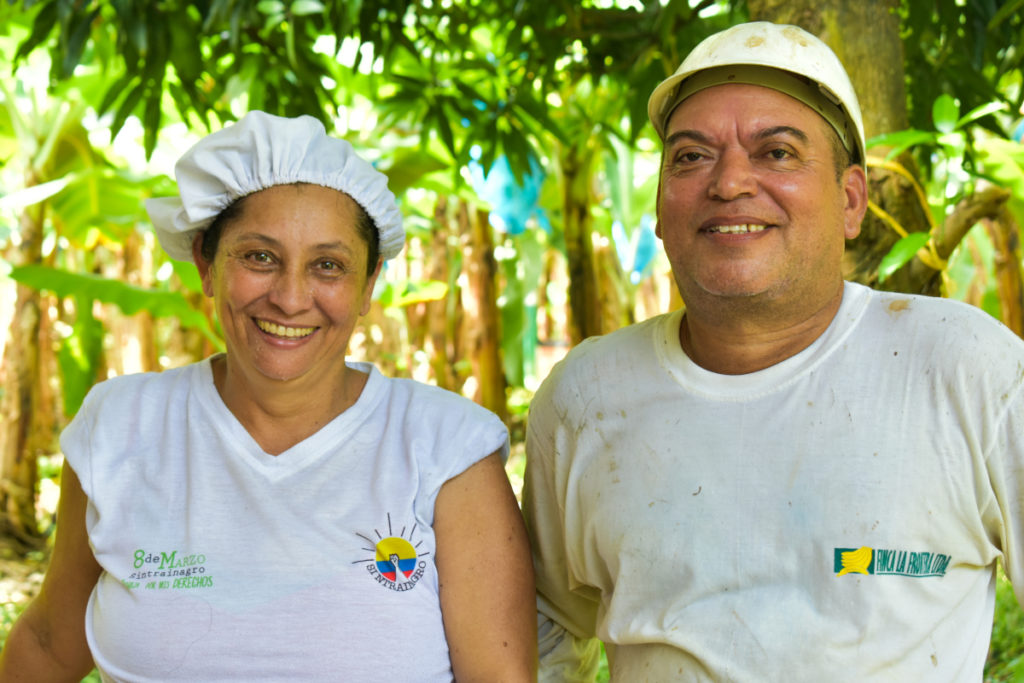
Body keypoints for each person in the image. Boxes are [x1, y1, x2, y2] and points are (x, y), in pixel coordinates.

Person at [523, 21, 1024, 681]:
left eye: (778, 152)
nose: (729, 182)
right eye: (692, 156)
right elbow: (545, 624)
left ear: (851, 201)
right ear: (659, 208)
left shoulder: (966, 368)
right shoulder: (586, 397)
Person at [0, 111, 536, 682]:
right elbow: (51, 643)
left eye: (328, 266)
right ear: (206, 262)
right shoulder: (120, 431)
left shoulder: (446, 447)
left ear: (368, 285)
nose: (289, 297)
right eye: (259, 257)